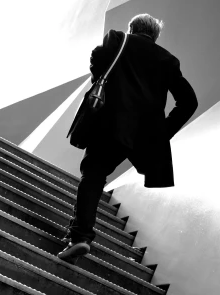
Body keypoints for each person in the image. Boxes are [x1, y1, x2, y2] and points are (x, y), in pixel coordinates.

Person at [58, 13, 198, 264]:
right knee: (98, 173)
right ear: (154, 36)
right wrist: (162, 132)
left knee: (93, 173)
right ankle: (78, 232)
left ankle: (80, 237)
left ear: (132, 28)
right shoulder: (168, 60)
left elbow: (97, 60)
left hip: (108, 122)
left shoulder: (117, 39)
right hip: (139, 137)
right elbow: (189, 102)